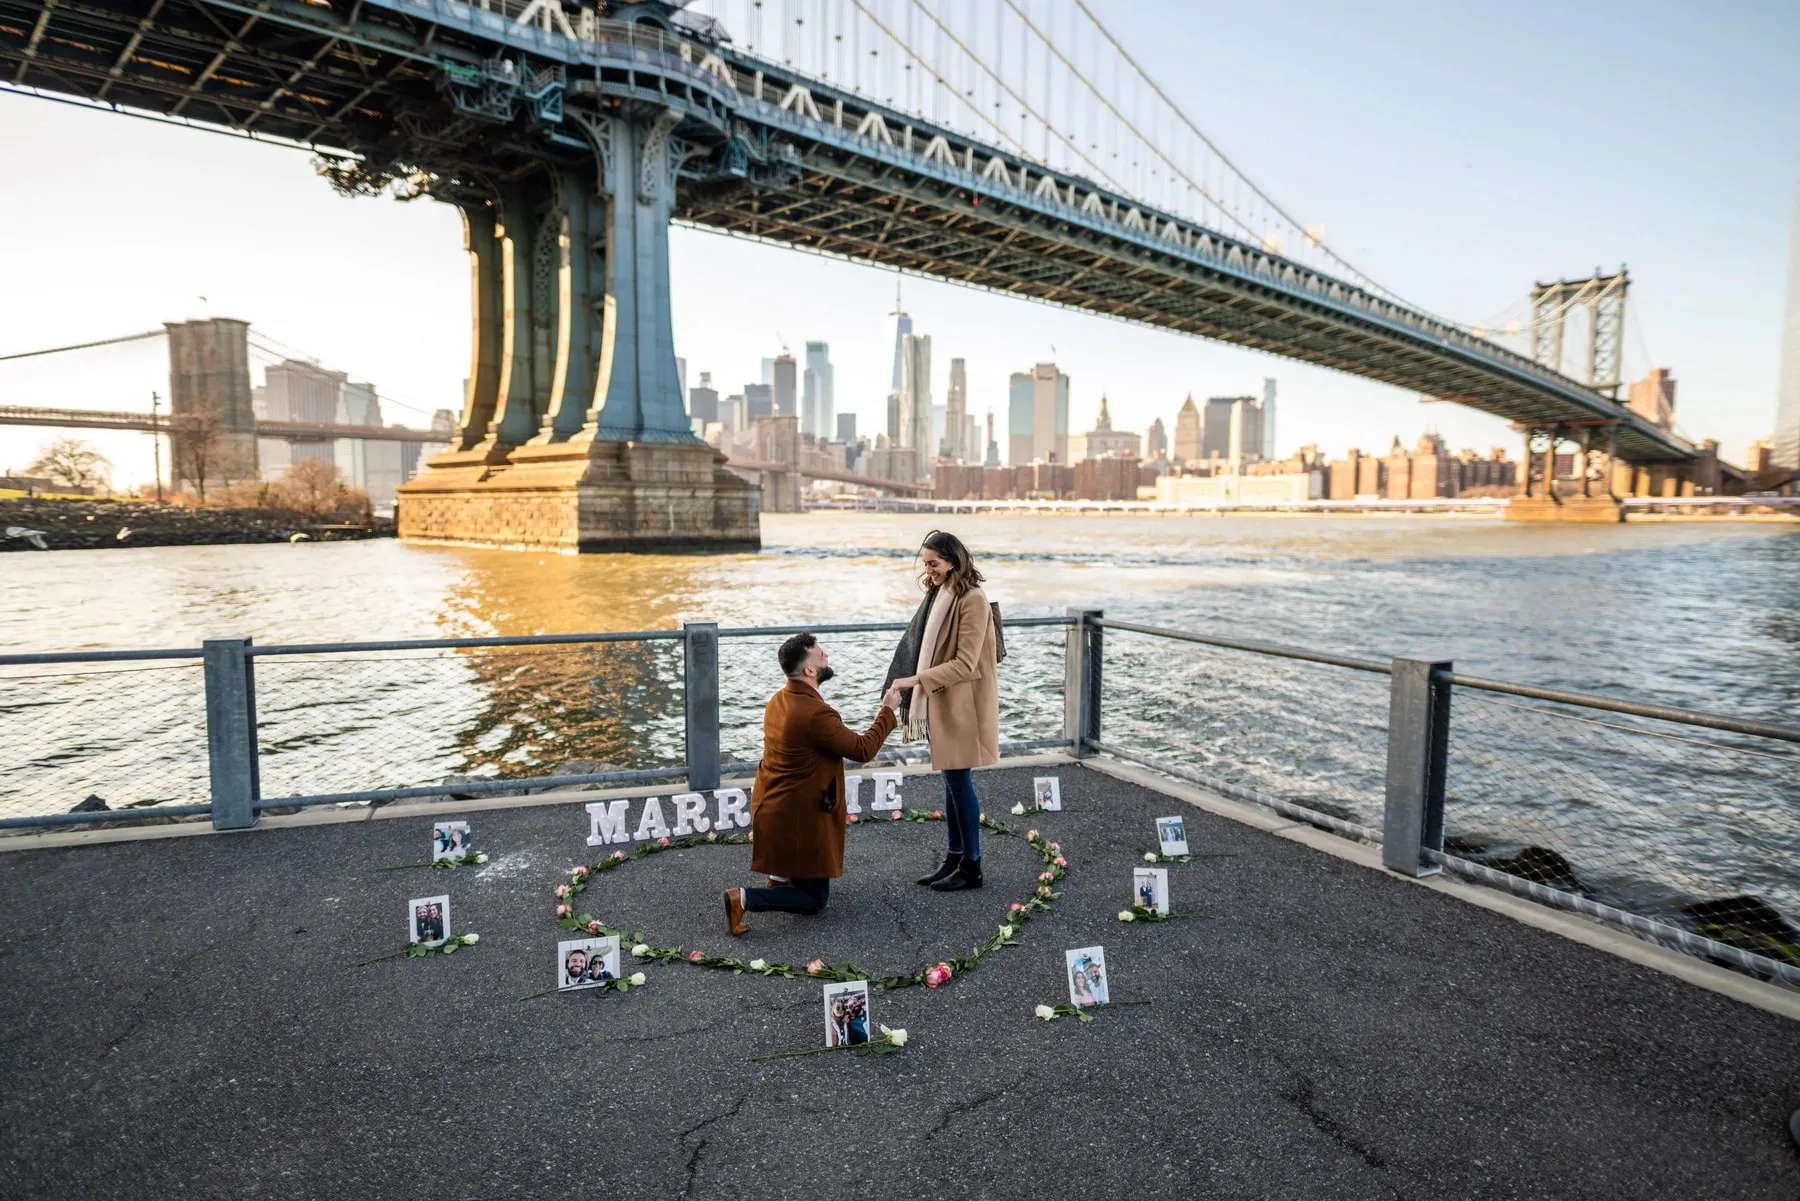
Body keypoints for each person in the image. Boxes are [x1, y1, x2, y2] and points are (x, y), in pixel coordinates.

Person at [723, 633, 902, 935]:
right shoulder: (816, 713)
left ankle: (780, 876)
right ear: (808, 670)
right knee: (814, 900)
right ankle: (744, 898)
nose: (826, 656)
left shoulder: (778, 700)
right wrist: (887, 710)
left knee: (801, 879)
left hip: (774, 805)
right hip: (799, 820)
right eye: (821, 654)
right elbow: (862, 750)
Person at [885, 531, 1000, 892]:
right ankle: (955, 857)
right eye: (925, 564)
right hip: (944, 700)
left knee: (958, 781)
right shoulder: (942, 595)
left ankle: (972, 865)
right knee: (952, 782)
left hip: (962, 704)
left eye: (933, 563)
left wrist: (914, 680)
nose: (929, 571)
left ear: (953, 560)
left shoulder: (972, 600)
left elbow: (966, 664)